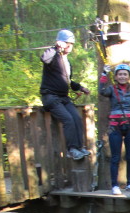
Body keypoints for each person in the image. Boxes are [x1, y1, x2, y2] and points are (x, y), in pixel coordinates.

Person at [40, 29, 91, 161]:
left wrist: (80, 87)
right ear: (60, 43)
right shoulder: (53, 56)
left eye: (71, 44)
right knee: (68, 119)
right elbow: (44, 58)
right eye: (67, 43)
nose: (69, 46)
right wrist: (55, 48)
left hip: (63, 97)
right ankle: (72, 149)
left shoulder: (66, 62)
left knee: (76, 118)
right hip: (51, 97)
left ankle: (79, 147)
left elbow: (67, 81)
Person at [99, 63, 130, 195]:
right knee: (115, 157)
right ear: (116, 77)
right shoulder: (112, 90)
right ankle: (114, 185)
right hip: (115, 126)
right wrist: (103, 75)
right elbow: (102, 91)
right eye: (120, 74)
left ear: (129, 76)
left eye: (125, 74)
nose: (123, 76)